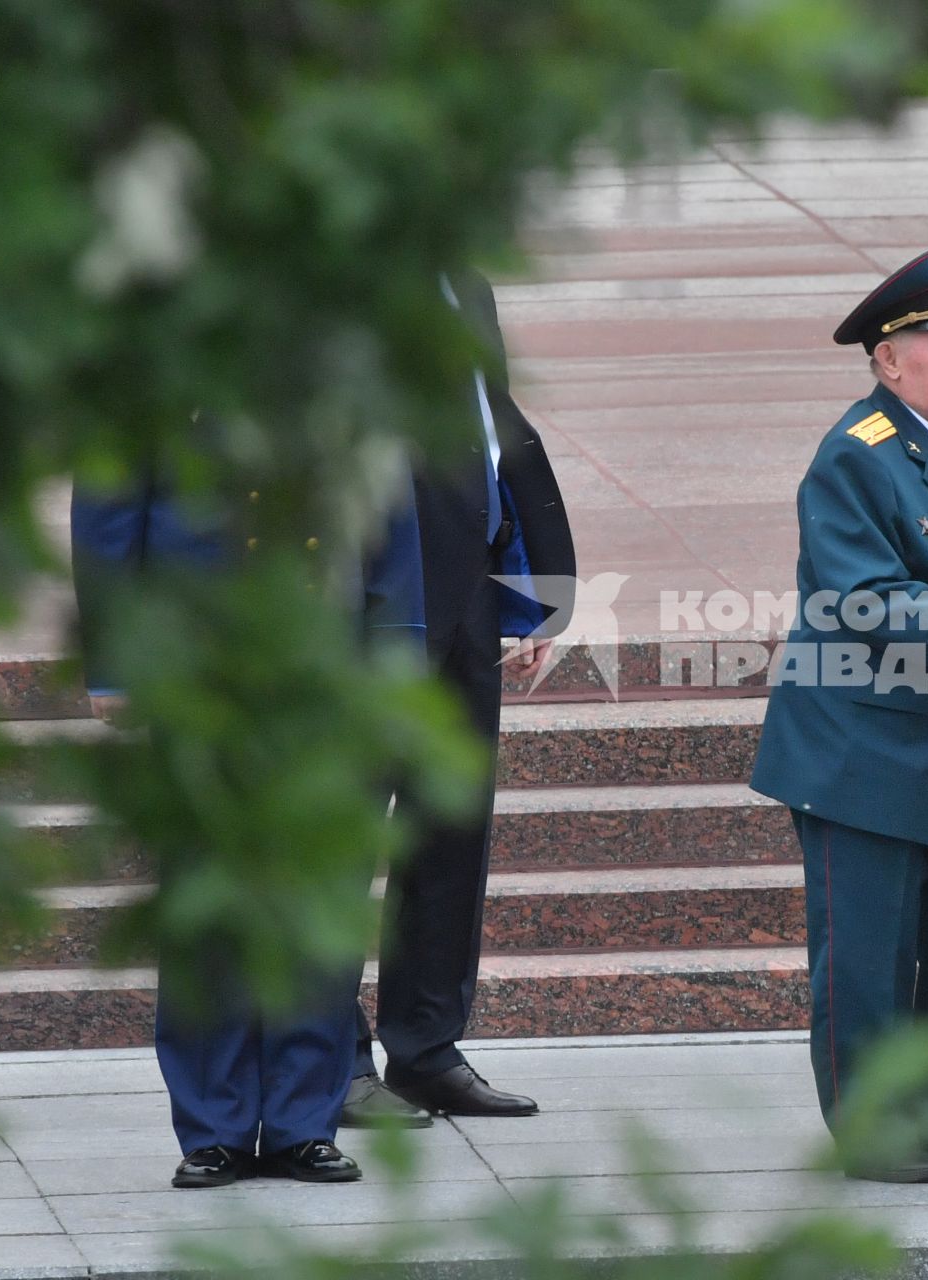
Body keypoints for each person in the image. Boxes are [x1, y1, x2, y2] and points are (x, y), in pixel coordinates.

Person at [749, 245, 928, 1184]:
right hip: (865, 752)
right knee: (870, 958)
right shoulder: (854, 457)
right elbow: (867, 603)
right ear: (887, 361)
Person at [71, 446, 427, 1187]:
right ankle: (215, 1126)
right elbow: (110, 510)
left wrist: (398, 659)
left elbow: (390, 513)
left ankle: (304, 1123)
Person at [346, 268, 577, 1125]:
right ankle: (333, 1060)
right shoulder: (335, 282)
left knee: (449, 830)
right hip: (371, 599)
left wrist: (544, 584)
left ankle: (426, 1046)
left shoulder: (463, 284)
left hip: (469, 590)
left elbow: (496, 427)